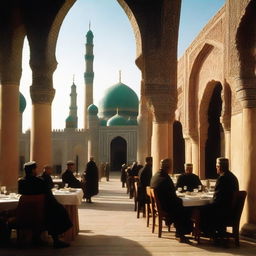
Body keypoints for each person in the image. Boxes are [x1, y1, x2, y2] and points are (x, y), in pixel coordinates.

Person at [18, 161, 72, 248]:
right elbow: (49, 196)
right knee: (56, 211)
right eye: (35, 169)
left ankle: (36, 237)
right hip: (41, 213)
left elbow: (21, 194)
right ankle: (56, 240)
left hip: (24, 213)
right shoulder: (40, 181)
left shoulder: (21, 182)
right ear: (32, 170)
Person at [150, 158, 192, 243]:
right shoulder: (165, 178)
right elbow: (172, 196)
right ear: (169, 168)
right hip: (165, 207)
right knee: (185, 207)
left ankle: (182, 230)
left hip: (161, 204)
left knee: (181, 204)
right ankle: (181, 233)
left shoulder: (156, 175)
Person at [199, 157, 239, 240]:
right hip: (232, 211)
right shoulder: (233, 177)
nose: (216, 168)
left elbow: (217, 200)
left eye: (217, 166)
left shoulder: (222, 178)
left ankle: (209, 233)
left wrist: (208, 202)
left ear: (220, 167)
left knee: (201, 209)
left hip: (222, 211)